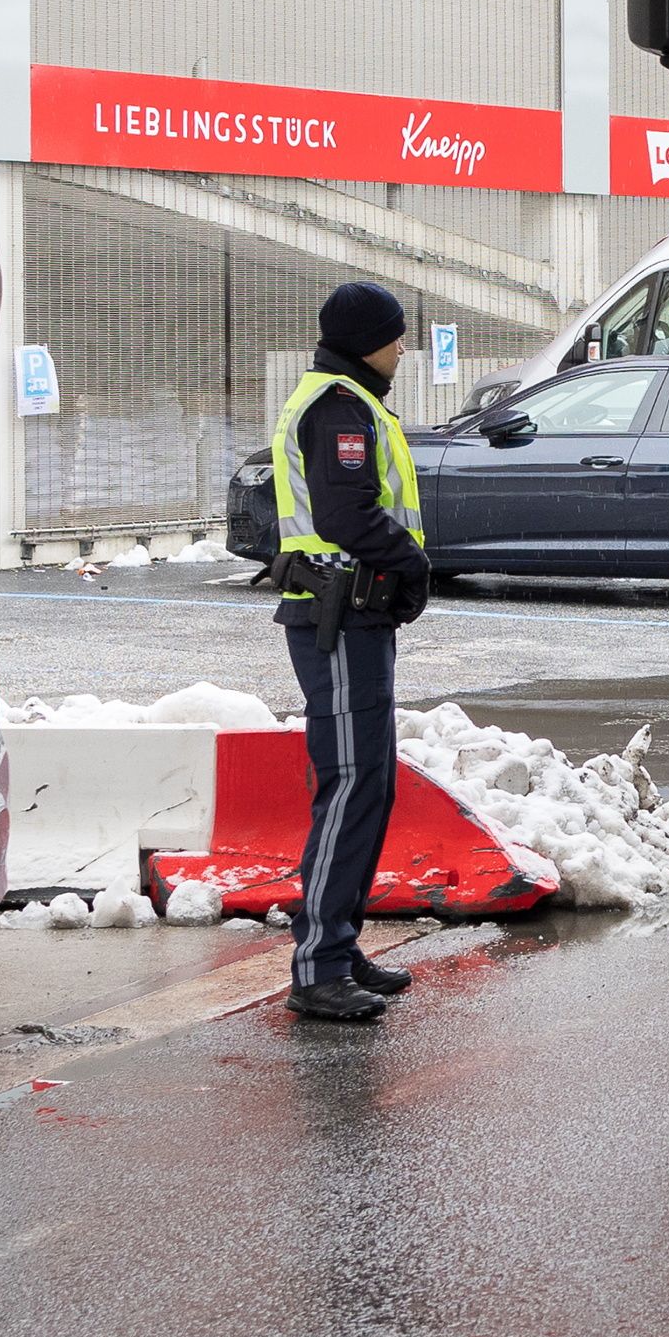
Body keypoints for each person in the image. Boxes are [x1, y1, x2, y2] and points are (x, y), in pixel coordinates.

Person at [267, 282, 436, 1022]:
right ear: (367, 338)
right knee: (349, 782)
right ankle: (319, 963)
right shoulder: (338, 406)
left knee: (369, 782)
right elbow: (347, 516)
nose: (403, 347)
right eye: (396, 335)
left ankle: (339, 941)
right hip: (337, 614)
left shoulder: (352, 401)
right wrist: (415, 562)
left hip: (358, 616)